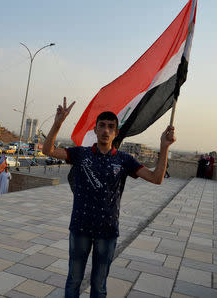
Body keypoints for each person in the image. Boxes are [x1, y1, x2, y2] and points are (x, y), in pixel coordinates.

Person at [42, 98, 175, 298]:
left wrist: (164, 147)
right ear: (95, 130)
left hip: (107, 230)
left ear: (116, 132)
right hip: (80, 227)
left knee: (99, 285)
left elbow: (156, 178)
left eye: (111, 127)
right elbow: (48, 150)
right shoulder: (80, 154)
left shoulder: (124, 160)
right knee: (73, 281)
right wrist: (58, 123)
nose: (106, 130)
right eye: (102, 126)